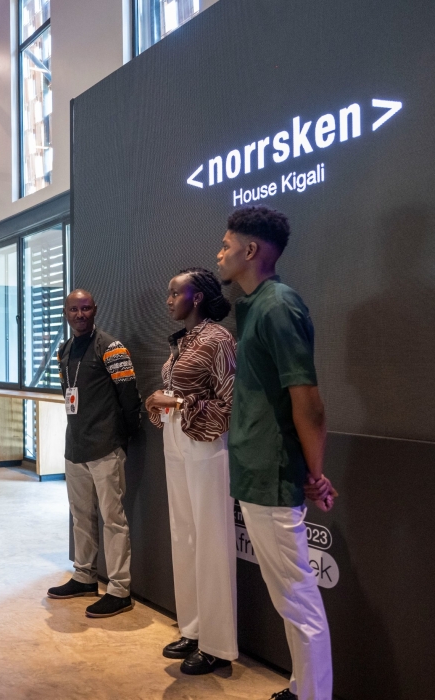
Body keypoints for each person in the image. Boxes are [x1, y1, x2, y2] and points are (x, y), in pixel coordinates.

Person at [216, 205, 336, 699]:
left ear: (250, 250)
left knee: (297, 597)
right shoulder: (256, 305)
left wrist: (315, 473)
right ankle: (301, 686)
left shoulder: (279, 305)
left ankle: (313, 694)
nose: (219, 254)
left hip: (272, 471)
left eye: (226, 245)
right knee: (289, 596)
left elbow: (307, 400)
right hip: (257, 469)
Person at [144, 269, 238, 675]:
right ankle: (193, 629)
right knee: (183, 534)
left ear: (196, 297)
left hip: (205, 441)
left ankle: (217, 644)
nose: (168, 300)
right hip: (175, 437)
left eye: (175, 293)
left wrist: (178, 403)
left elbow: (231, 403)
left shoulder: (218, 339)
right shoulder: (182, 341)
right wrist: (161, 401)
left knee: (211, 538)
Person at [47, 289, 142, 618]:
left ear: (95, 310)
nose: (80, 314)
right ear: (66, 313)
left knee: (113, 520)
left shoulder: (112, 348)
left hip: (105, 446)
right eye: (74, 309)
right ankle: (85, 576)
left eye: (85, 308)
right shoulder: (64, 350)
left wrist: (123, 436)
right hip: (75, 446)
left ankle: (119, 589)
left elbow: (129, 396)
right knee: (81, 516)